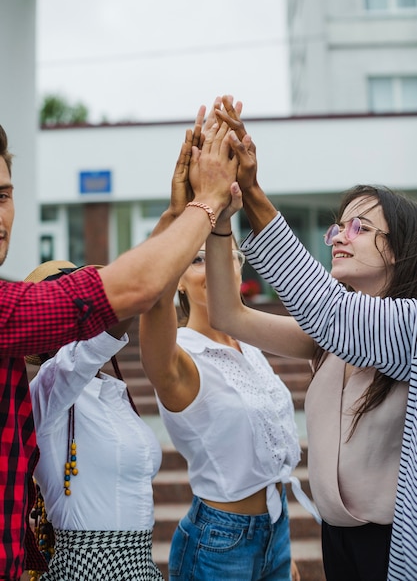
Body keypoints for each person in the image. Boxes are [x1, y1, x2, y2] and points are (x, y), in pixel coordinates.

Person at [0, 115, 236, 581]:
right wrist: (202, 205)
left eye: (4, 195)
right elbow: (130, 298)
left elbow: (133, 298)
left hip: (138, 565)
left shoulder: (111, 391)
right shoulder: (51, 385)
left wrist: (177, 216)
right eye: (61, 291)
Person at [207, 97, 417, 581]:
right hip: (335, 539)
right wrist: (220, 220)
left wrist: (253, 190)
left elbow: (332, 311)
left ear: (400, 250)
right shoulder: (326, 335)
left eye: (360, 227)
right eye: (338, 226)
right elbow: (226, 314)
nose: (340, 236)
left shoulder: (406, 329)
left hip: (390, 544)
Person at [138, 113, 307, 581]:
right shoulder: (183, 357)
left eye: (219, 257)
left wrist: (280, 547)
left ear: (236, 269)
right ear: (178, 280)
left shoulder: (249, 345)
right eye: (191, 261)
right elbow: (151, 310)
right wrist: (180, 217)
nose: (210, 267)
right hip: (219, 541)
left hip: (274, 526)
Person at [25, 260, 163, 581]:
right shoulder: (46, 390)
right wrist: (142, 281)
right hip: (86, 569)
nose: (94, 312)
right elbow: (85, 353)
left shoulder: (113, 391)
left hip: (140, 565)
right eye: (83, 306)